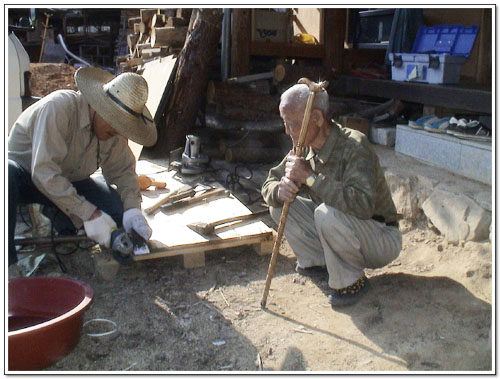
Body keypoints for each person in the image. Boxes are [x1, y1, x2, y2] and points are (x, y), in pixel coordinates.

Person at [261, 81, 402, 307]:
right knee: (279, 205)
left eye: (292, 124)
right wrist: (280, 190)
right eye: (284, 124)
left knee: (327, 214)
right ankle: (317, 262)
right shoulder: (303, 148)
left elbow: (363, 205)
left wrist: (310, 178)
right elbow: (270, 181)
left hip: (379, 236)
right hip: (342, 228)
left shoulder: (354, 146)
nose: (287, 131)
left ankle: (350, 281)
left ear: (316, 118)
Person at [8, 67, 157, 266]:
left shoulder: (114, 131)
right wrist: (89, 213)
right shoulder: (58, 108)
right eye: (115, 121)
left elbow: (122, 171)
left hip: (69, 180)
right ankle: (8, 267)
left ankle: (61, 218)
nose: (117, 130)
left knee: (117, 211)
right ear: (98, 106)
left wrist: (133, 209)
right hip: (26, 176)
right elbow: (44, 174)